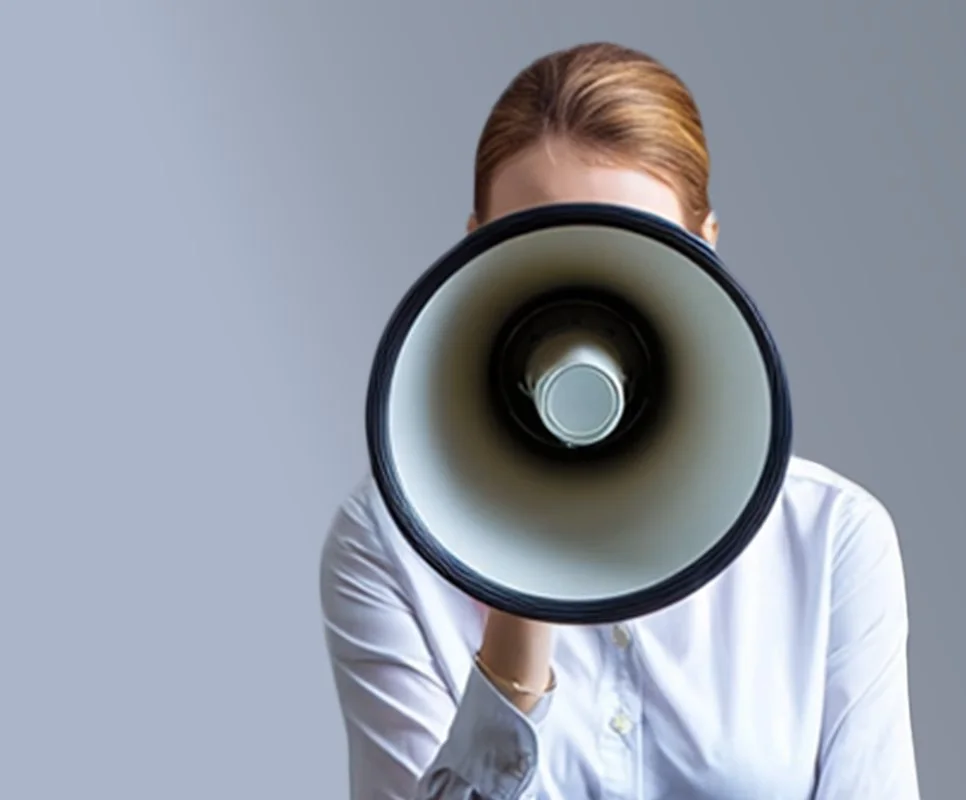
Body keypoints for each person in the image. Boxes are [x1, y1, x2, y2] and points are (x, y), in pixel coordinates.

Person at [320, 41, 921, 800]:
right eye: (547, 245)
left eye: (630, 250)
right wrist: (517, 601)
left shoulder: (829, 541)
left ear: (704, 252)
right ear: (475, 252)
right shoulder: (387, 545)